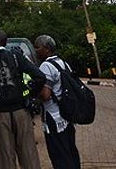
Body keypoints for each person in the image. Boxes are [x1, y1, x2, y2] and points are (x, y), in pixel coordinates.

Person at [0, 29, 45, 169]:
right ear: (5, 42)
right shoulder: (16, 56)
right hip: (21, 110)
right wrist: (28, 94)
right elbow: (39, 77)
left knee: (4, 155)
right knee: (28, 152)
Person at [34, 35, 81, 169]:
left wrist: (33, 91)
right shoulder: (63, 63)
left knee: (59, 155)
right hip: (67, 116)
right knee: (71, 151)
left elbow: (45, 95)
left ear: (47, 48)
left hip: (53, 117)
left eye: (38, 47)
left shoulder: (46, 66)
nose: (36, 50)